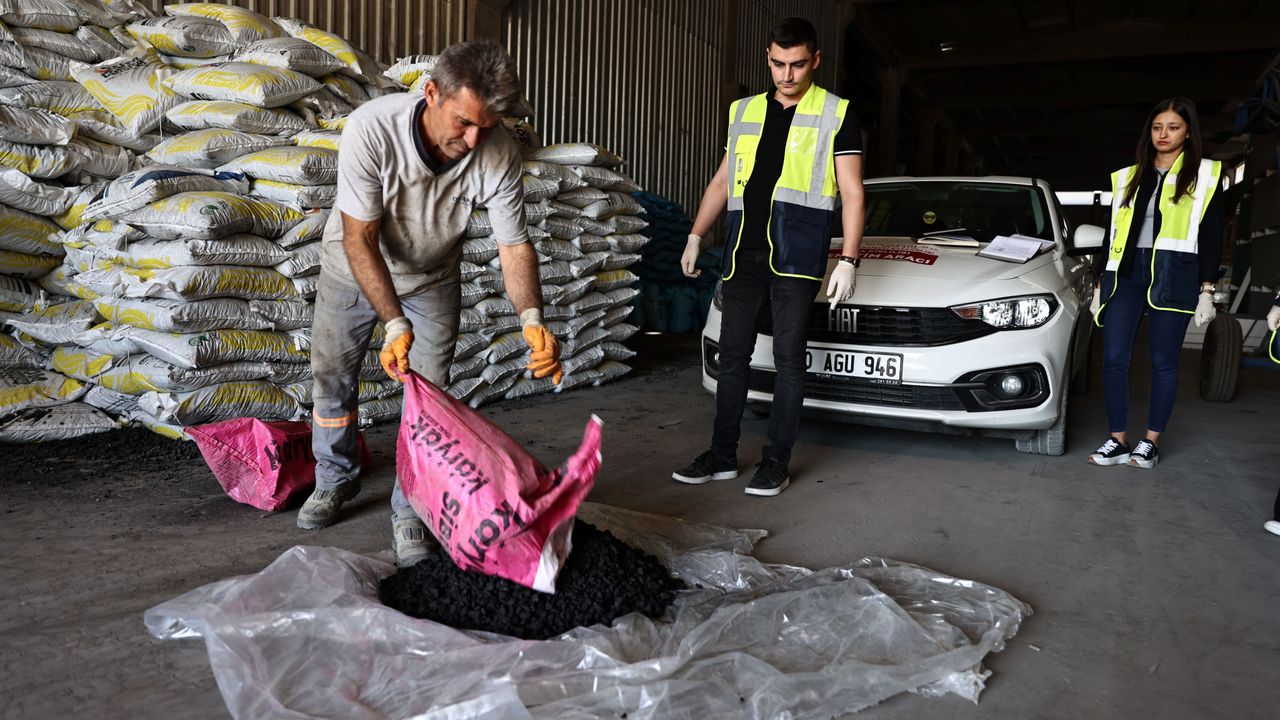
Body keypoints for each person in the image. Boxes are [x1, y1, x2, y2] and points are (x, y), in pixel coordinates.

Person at [297, 41, 563, 566]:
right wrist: (393, 322)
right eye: (463, 122)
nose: (472, 139)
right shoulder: (373, 129)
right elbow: (359, 240)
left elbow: (514, 246)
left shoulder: (498, 148)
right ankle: (334, 479)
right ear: (431, 92)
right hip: (353, 267)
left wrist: (532, 319)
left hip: (434, 278)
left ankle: (410, 509)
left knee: (430, 398)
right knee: (332, 376)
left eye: (486, 126)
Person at [675, 17, 864, 497]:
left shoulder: (837, 112)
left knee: (788, 360)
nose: (787, 75)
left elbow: (852, 191)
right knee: (733, 355)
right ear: (767, 57)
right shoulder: (743, 111)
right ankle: (721, 455)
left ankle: (775, 461)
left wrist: (849, 259)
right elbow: (722, 181)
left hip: (798, 256)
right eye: (778, 64)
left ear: (815, 61)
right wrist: (697, 234)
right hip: (742, 252)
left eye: (797, 64)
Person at [1087, 97, 1222, 469]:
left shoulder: (1205, 175)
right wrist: (1101, 282)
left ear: (1188, 132)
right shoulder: (1129, 176)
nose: (1164, 134)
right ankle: (1117, 439)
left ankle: (1150, 442)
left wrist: (1207, 289)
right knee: (1114, 359)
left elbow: (1211, 236)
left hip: (1174, 274)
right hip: (1126, 275)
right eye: (1157, 127)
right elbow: (1113, 232)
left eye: (1173, 127)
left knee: (1164, 362)